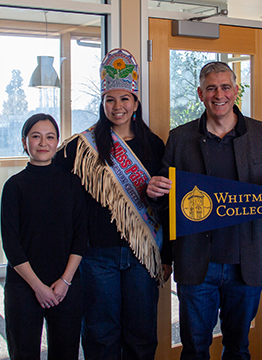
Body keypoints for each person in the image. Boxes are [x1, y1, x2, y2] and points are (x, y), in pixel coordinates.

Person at [147, 61, 262, 359]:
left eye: (225, 87)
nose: (219, 95)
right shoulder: (180, 138)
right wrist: (154, 193)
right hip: (197, 263)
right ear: (201, 93)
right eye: (211, 88)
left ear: (236, 91)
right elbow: (166, 202)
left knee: (238, 348)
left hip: (247, 263)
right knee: (194, 348)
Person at [54, 48, 170, 359]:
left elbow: (168, 205)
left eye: (124, 99)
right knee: (100, 334)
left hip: (141, 255)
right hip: (97, 255)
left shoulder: (154, 144)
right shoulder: (82, 146)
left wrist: (168, 254)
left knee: (141, 335)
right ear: (103, 104)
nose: (117, 107)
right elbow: (53, 181)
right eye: (110, 100)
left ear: (135, 104)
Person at [1, 114, 87, 359]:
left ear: (57, 143)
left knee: (66, 352)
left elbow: (80, 236)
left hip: (66, 284)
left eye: (50, 137)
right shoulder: (14, 186)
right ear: (24, 141)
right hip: (24, 286)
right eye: (35, 136)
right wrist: (37, 287)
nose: (42, 143)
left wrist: (65, 281)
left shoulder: (72, 184)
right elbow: (11, 243)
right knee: (23, 352)